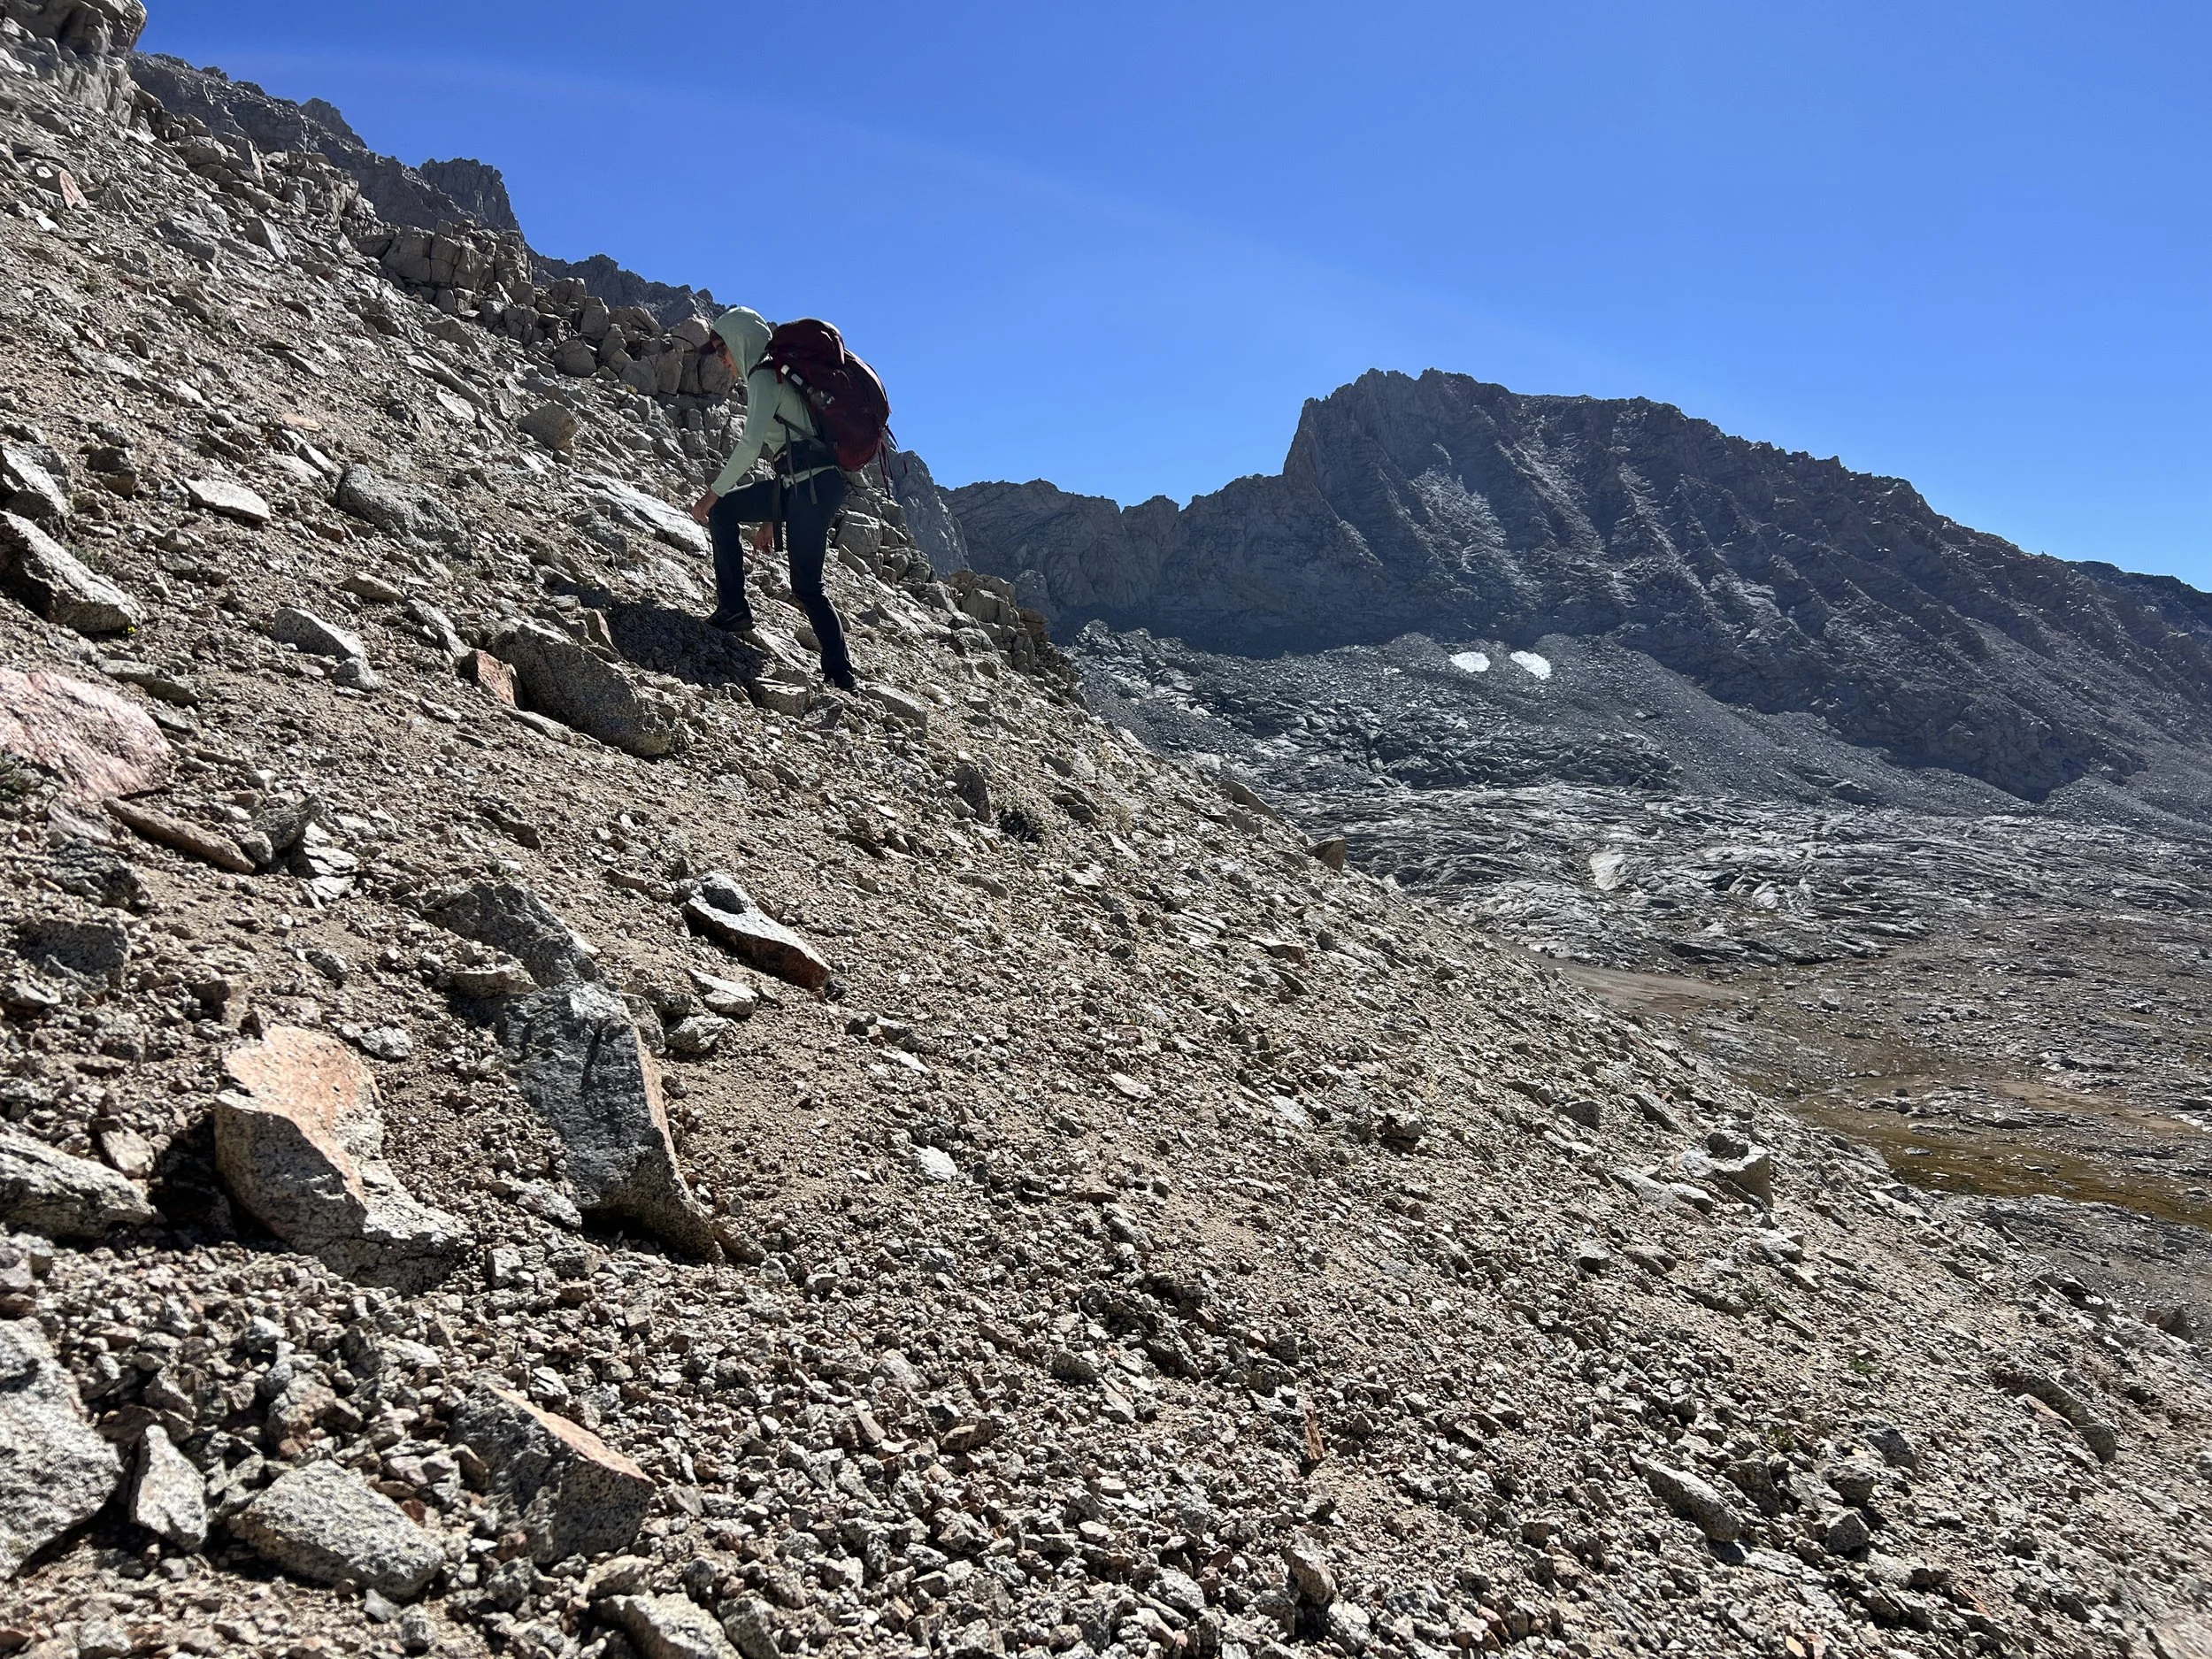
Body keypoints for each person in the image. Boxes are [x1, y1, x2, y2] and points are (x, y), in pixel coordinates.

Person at [688, 307, 856, 691]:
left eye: (723, 349)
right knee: (727, 513)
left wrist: (711, 495)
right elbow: (790, 452)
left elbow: (750, 446)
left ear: (740, 342)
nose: (723, 360)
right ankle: (733, 609)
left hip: (812, 488)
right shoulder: (774, 375)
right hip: (801, 484)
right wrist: (772, 517)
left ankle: (841, 674)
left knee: (807, 585)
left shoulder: (765, 377)